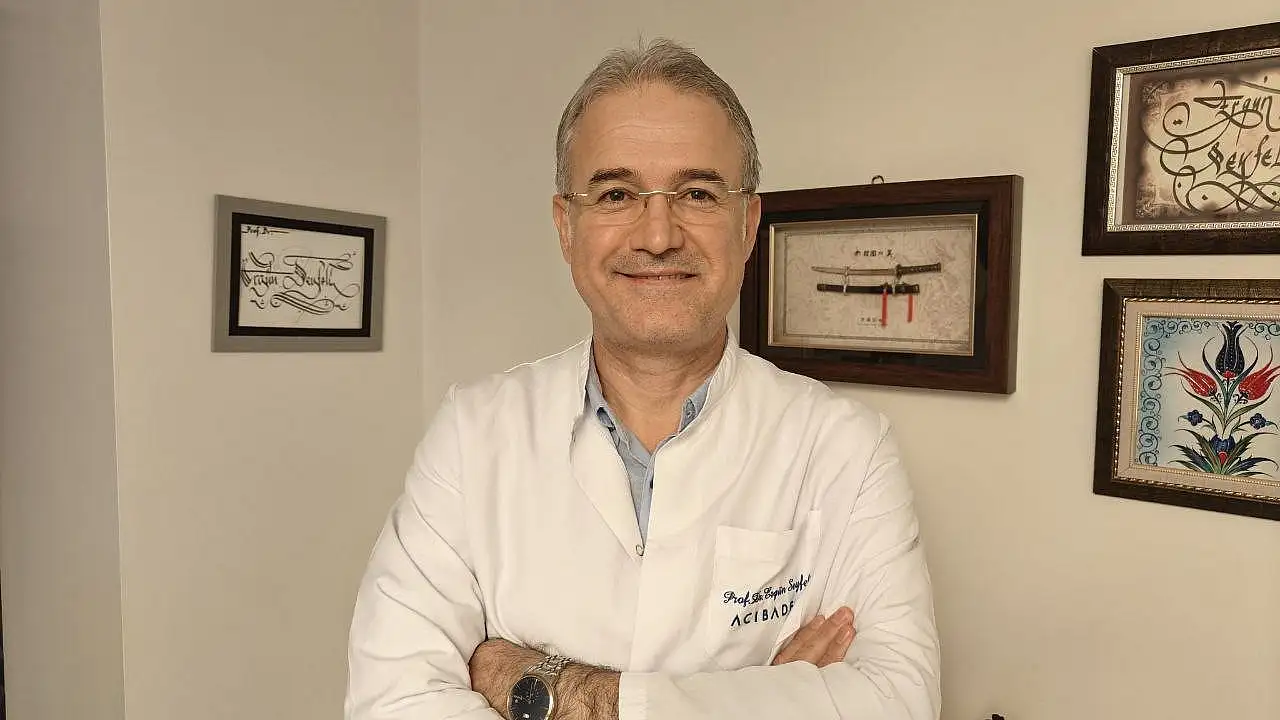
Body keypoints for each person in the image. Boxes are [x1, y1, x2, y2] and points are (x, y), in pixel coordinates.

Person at [344, 38, 940, 720]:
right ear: (566, 226)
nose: (658, 236)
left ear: (748, 225)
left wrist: (548, 690)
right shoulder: (471, 433)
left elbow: (898, 703)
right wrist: (766, 697)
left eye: (698, 193)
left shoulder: (847, 447)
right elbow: (393, 702)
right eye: (616, 194)